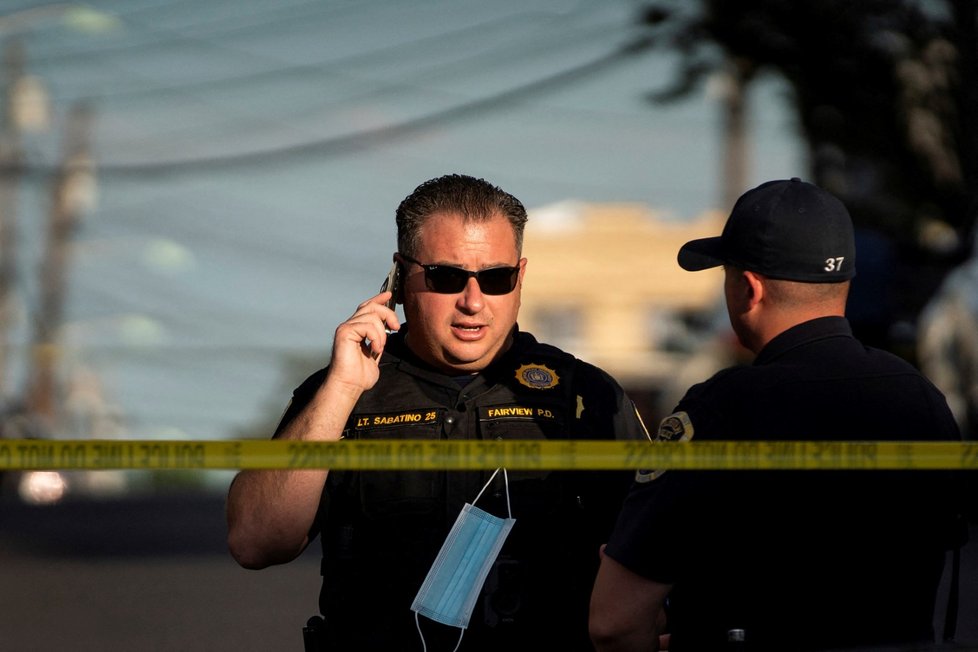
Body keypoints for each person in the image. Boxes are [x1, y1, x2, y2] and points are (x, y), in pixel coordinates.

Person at [226, 173, 649, 651]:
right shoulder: (340, 392)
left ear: (521, 277)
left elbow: (656, 558)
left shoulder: (584, 395)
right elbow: (255, 541)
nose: (473, 302)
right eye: (447, 277)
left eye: (495, 278)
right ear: (401, 277)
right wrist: (341, 389)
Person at [589, 178, 965, 652]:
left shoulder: (723, 411)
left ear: (748, 288)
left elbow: (614, 623)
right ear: (844, 282)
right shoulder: (923, 399)